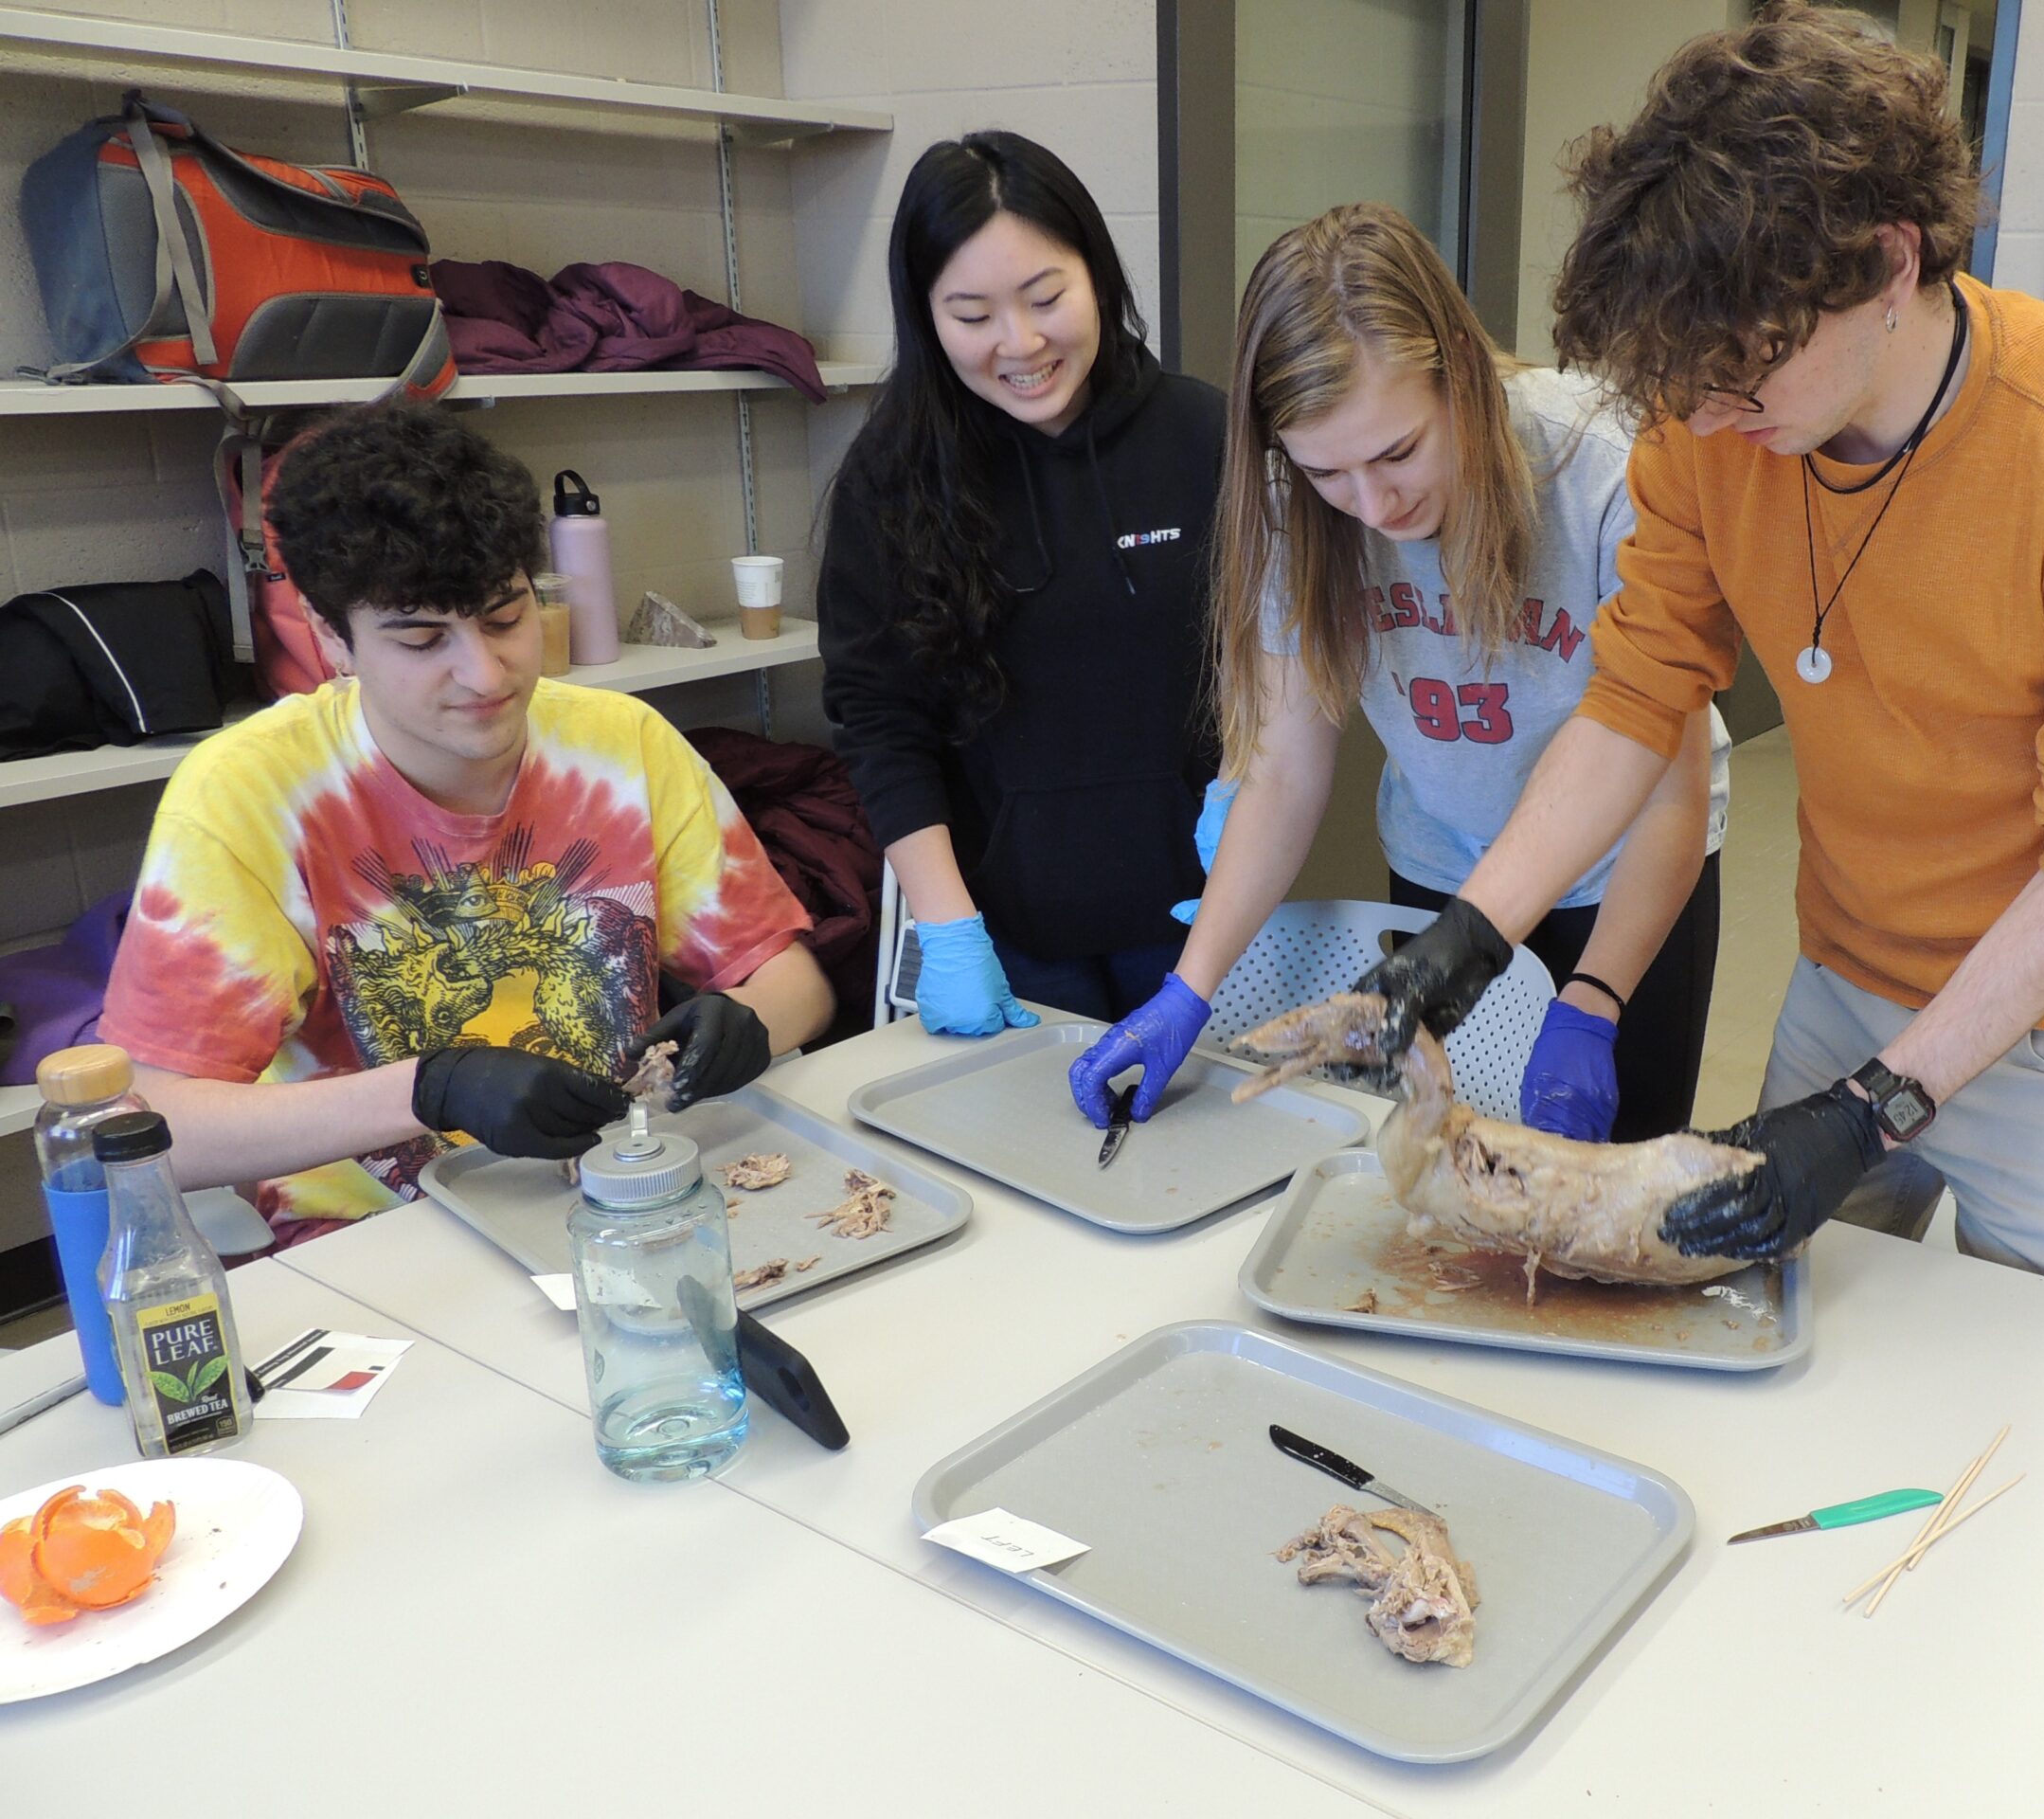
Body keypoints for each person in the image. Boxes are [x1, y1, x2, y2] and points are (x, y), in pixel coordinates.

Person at [1332, 5, 2044, 1300]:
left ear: (1885, 265)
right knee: (1783, 1321)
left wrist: (1878, 1109)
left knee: (2036, 1391)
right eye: (1683, 386)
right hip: (1843, 971)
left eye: (1744, 377)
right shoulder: (1706, 420)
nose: (1704, 415)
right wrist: (1476, 931)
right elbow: (1637, 694)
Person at [98, 404, 834, 1250]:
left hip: (626, 1192)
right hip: (379, 1237)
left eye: (503, 617)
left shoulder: (622, 744)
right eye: (420, 639)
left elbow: (795, 982)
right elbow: (154, 1129)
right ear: (334, 639)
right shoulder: (248, 794)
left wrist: (748, 1022)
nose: (483, 674)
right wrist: (428, 1091)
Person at [1069, 203, 1729, 1138]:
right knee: (1441, 1168)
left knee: (1604, 1188)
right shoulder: (1290, 502)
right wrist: (1191, 988)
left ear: (1458, 371)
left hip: (1624, 869)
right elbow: (1286, 767)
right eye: (1329, 475)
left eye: (1398, 452)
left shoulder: (1602, 471)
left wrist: (1594, 999)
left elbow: (1667, 784)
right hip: (1440, 859)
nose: (1372, 504)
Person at [818, 132, 1225, 1034]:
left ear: (1100, 278)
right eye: (972, 315)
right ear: (926, 316)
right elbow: (879, 719)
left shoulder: (1204, 437)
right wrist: (950, 932)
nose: (1022, 342)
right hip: (1006, 937)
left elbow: (1281, 660)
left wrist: (1248, 802)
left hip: (1206, 928)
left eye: (1047, 297)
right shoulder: (893, 477)